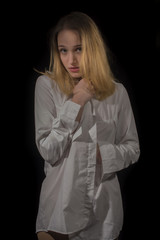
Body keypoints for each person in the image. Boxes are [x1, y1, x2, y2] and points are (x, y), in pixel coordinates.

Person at [34, 12, 140, 240]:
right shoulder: (46, 86)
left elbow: (132, 148)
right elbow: (48, 150)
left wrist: (101, 154)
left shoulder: (117, 92)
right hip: (58, 212)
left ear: (93, 48)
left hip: (103, 213)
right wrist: (76, 101)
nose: (71, 60)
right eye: (64, 50)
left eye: (78, 49)